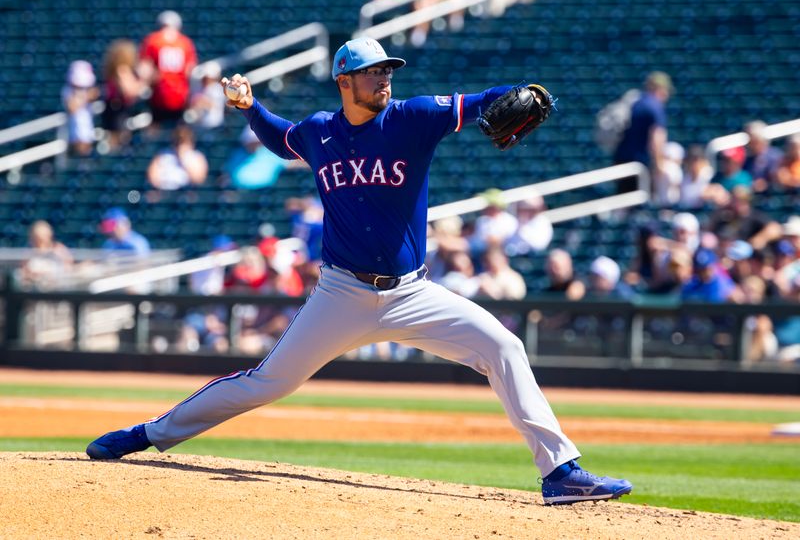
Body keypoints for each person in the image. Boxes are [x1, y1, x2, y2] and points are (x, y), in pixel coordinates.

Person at [86, 37, 632, 505]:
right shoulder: (320, 132)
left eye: (388, 71)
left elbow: (481, 102)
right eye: (373, 72)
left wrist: (522, 91)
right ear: (344, 79)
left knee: (504, 348)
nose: (384, 80)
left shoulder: (414, 118)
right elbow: (281, 138)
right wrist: (250, 107)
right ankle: (148, 434)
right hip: (341, 294)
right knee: (266, 384)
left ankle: (559, 472)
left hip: (414, 294)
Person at [613, 71, 673, 194]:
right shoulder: (654, 106)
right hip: (639, 163)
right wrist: (659, 165)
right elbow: (657, 138)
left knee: (624, 201)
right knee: (639, 202)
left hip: (621, 159)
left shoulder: (636, 102)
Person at [138, 10, 198, 127]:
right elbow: (189, 71)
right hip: (180, 95)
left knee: (154, 130)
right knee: (178, 130)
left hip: (158, 94)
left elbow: (144, 70)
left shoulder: (152, 40)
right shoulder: (185, 43)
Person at [100, 39, 144, 152]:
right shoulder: (122, 70)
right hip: (117, 110)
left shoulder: (117, 70)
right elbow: (128, 91)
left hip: (114, 109)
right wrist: (143, 83)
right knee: (118, 142)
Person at [223, 126, 288, 190]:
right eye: (252, 142)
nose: (255, 144)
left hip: (265, 191)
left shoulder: (271, 153)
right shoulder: (237, 154)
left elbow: (289, 163)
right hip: (239, 191)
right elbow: (227, 174)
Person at [146, 125, 208, 191]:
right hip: (164, 191)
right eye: (177, 141)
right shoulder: (163, 154)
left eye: (183, 141)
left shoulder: (196, 156)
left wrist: (183, 158)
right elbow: (152, 178)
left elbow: (198, 179)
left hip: (186, 192)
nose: (179, 144)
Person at [18, 220, 74, 289]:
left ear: (48, 236)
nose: (38, 243)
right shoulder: (28, 253)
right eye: (35, 239)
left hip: (57, 288)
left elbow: (68, 270)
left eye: (41, 239)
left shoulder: (59, 250)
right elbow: (24, 272)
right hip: (35, 289)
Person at [62, 60, 99, 156]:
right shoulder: (67, 91)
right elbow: (72, 107)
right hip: (74, 136)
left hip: (87, 134)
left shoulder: (88, 91)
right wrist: (85, 97)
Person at [742, 120, 782, 192]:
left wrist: (766, 184)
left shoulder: (775, 156)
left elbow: (778, 179)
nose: (748, 143)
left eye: (751, 139)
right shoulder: (747, 158)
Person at [187, 61, 226, 130]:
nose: (206, 79)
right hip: (200, 127)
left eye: (208, 77)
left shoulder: (218, 89)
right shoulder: (199, 88)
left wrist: (200, 102)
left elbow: (211, 105)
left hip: (215, 127)